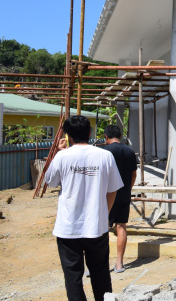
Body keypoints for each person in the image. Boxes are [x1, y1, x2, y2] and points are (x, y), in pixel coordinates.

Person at [45, 115, 123, 301]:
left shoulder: (62, 156)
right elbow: (113, 190)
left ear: (68, 135)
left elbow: (50, 181)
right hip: (96, 226)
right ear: (89, 133)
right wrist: (104, 213)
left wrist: (58, 152)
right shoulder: (105, 155)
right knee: (101, 274)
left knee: (73, 277)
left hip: (68, 229)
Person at [100, 124, 137, 273]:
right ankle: (119, 263)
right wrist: (128, 188)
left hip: (107, 194)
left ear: (106, 137)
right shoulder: (130, 151)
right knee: (121, 226)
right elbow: (134, 174)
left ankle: (99, 265)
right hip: (124, 194)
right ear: (120, 136)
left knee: (102, 229)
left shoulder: (104, 152)